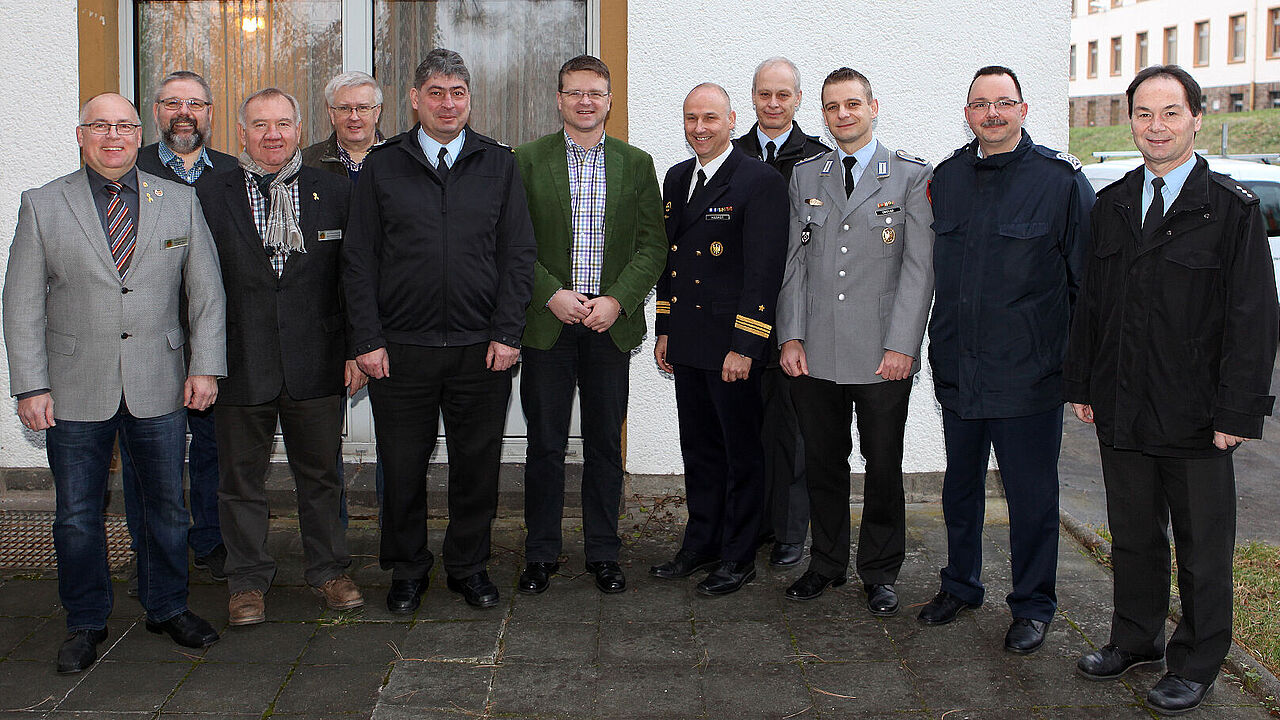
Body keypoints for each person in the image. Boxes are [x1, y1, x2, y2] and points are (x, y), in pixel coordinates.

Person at [1065, 65, 1278, 715]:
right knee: (1133, 536)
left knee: (1203, 548)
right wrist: (1085, 383)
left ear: (1196, 119)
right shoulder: (1113, 204)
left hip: (1196, 414)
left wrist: (1237, 410)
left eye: (1170, 113)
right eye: (1144, 114)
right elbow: (1092, 304)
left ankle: (1197, 661)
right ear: (1130, 120)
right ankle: (1135, 639)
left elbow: (1253, 319)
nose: (1156, 127)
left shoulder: (1231, 209)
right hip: (1123, 404)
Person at [3, 92, 226, 672]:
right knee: (77, 516)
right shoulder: (43, 203)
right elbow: (21, 304)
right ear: (80, 135)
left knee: (166, 508)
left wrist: (205, 366)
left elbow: (206, 293)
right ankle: (84, 621)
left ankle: (167, 606)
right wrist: (31, 386)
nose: (112, 136)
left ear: (138, 134)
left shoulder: (179, 201)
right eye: (99, 126)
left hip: (160, 381)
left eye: (123, 126)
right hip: (73, 387)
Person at [344, 48, 536, 614]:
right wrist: (367, 340)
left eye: (457, 93)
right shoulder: (382, 166)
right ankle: (407, 569)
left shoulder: (498, 164)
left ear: (469, 99)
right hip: (402, 350)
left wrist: (508, 332)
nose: (448, 104)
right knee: (402, 468)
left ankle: (468, 566)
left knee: (477, 466)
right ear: (414, 99)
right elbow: (359, 259)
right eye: (436, 93)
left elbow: (518, 254)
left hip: (482, 349)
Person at [922, 66, 1093, 654]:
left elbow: (1086, 285)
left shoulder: (1060, 181)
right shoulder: (946, 178)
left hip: (1029, 374)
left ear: (1023, 108)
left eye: (1002, 102)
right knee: (960, 489)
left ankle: (1033, 605)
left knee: (1031, 500)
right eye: (980, 104)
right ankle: (961, 585)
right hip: (959, 370)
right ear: (967, 113)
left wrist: (1079, 371)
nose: (991, 114)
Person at [202, 87, 365, 625]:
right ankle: (247, 581)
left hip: (316, 360)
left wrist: (356, 350)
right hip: (239, 361)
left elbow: (353, 277)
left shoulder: (334, 191)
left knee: (321, 477)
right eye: (260, 125)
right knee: (240, 481)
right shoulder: (208, 193)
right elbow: (194, 286)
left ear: (299, 129)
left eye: (282, 124)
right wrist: (201, 361)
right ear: (241, 132)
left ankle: (329, 571)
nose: (272, 135)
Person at [776, 67, 934, 615]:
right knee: (823, 463)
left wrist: (903, 346)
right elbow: (793, 262)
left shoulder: (909, 175)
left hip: (881, 353)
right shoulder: (806, 175)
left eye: (852, 104)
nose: (842, 115)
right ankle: (825, 564)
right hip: (816, 350)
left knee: (883, 464)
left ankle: (880, 571)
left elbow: (919, 269)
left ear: (873, 107)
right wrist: (790, 335)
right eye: (831, 106)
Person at [513, 55, 666, 595]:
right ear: (559, 99)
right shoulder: (527, 160)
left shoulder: (636, 163)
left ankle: (604, 551)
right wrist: (550, 294)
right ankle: (540, 553)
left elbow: (652, 246)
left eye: (595, 93)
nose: (585, 101)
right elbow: (513, 243)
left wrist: (618, 301)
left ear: (608, 101)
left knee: (604, 445)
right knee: (545, 445)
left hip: (607, 328)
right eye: (575, 92)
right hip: (548, 326)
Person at [649, 83, 787, 596]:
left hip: (732, 345)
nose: (699, 128)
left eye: (710, 118)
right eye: (691, 118)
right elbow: (670, 261)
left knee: (741, 455)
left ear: (732, 120)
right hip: (688, 341)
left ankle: (738, 554)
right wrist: (665, 327)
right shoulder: (676, 177)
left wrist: (746, 346)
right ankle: (701, 542)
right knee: (700, 450)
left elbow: (764, 271)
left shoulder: (759, 180)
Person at [128, 69, 237, 584]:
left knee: (215, 449)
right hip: (147, 340)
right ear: (156, 112)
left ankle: (211, 541)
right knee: (149, 457)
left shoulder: (234, 172)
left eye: (194, 103)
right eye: (173, 103)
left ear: (210, 113)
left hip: (214, 338)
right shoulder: (132, 169)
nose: (184, 113)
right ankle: (152, 554)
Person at [731, 57, 829, 568]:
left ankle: (791, 531)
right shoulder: (729, 154)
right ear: (752, 97)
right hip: (739, 316)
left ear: (798, 99)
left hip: (798, 316)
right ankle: (751, 526)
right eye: (764, 94)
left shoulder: (820, 159)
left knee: (793, 430)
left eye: (783, 95)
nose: (773, 104)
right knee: (743, 427)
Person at [302, 71, 384, 184]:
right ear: (331, 113)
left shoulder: (400, 161)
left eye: (363, 108)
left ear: (377, 112)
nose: (354, 117)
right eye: (344, 108)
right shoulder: (306, 163)